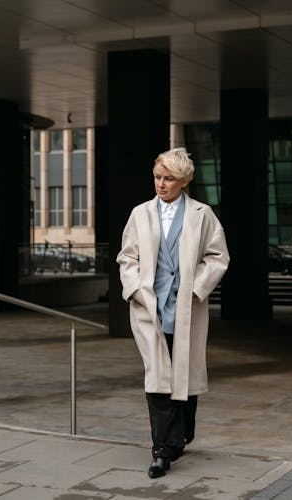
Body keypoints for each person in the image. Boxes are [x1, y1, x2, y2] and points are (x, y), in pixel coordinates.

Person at [116, 147, 230, 478]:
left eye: (168, 179)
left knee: (184, 375)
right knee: (158, 376)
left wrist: (196, 289)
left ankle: (180, 436)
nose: (160, 184)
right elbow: (127, 257)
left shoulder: (202, 214)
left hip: (186, 309)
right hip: (149, 308)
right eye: (157, 177)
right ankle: (161, 451)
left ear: (183, 182)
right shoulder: (140, 214)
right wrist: (136, 289)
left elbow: (217, 256)